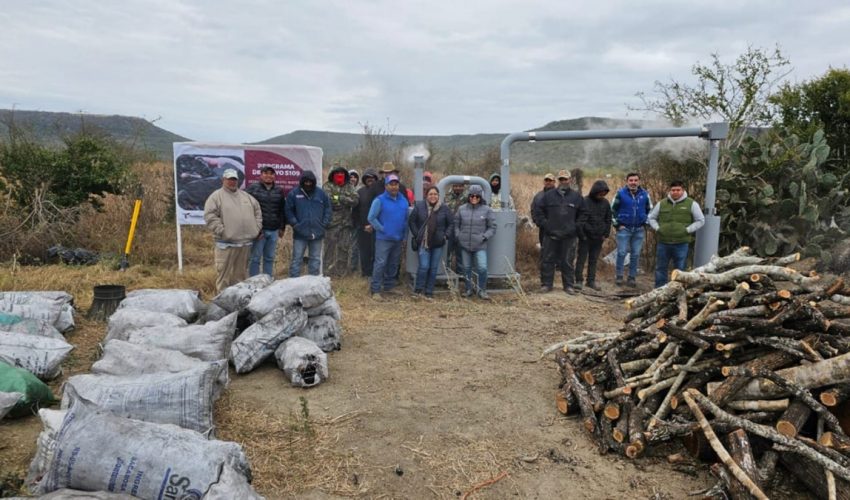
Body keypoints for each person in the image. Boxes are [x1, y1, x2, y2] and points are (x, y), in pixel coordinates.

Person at [203, 168, 262, 293]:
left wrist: (256, 229)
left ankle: (238, 303)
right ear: (223, 180)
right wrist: (222, 231)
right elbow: (210, 216)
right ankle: (221, 304)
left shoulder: (247, 197)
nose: (232, 182)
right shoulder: (216, 196)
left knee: (240, 278)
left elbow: (257, 212)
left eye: (234, 179)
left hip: (245, 244)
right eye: (229, 179)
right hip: (225, 244)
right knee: (223, 277)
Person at [532, 169, 585, 295]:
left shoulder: (577, 197)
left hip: (569, 236)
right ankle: (546, 285)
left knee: (567, 261)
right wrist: (546, 225)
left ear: (570, 180)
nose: (563, 181)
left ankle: (568, 286)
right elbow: (538, 211)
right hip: (551, 234)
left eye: (565, 179)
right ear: (558, 180)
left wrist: (575, 227)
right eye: (561, 179)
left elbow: (583, 214)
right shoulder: (548, 196)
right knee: (547, 260)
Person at [648, 180, 706, 288]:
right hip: (663, 243)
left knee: (680, 269)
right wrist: (657, 228)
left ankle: (677, 290)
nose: (675, 192)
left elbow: (701, 220)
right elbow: (651, 218)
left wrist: (687, 230)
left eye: (678, 190)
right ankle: (659, 290)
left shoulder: (691, 204)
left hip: (681, 243)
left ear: (683, 190)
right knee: (661, 268)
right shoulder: (662, 203)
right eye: (673, 190)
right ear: (670, 191)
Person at [368, 174, 409, 299]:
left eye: (396, 184)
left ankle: (389, 287)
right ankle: (375, 290)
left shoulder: (403, 200)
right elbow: (371, 218)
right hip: (383, 239)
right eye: (391, 184)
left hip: (398, 239)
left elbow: (406, 220)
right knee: (380, 263)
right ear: (386, 186)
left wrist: (405, 237)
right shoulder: (379, 200)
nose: (394, 187)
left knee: (393, 264)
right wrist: (382, 229)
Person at [409, 186, 452, 299]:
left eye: (435, 194)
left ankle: (429, 291)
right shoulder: (419, 206)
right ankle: (418, 290)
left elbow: (451, 224)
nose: (433, 196)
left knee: (433, 268)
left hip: (438, 243)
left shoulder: (444, 208)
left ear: (438, 196)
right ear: (426, 196)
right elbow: (412, 221)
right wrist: (417, 234)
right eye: (430, 194)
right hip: (423, 242)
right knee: (424, 266)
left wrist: (445, 236)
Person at [285, 171, 331, 277]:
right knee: (297, 259)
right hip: (300, 233)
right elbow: (288, 210)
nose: (308, 184)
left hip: (317, 232)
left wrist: (323, 224)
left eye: (310, 182)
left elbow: (328, 209)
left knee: (315, 259)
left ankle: (313, 284)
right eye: (306, 181)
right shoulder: (294, 193)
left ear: (314, 182)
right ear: (302, 182)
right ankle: (293, 283)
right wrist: (295, 224)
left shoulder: (321, 193)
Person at [611, 172, 652, 287]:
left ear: (639, 181)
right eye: (631, 180)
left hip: (639, 229)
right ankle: (619, 276)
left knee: (636, 254)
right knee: (622, 252)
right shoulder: (620, 194)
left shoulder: (645, 194)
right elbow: (612, 210)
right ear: (627, 181)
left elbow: (650, 210)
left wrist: (646, 223)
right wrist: (617, 225)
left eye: (635, 180)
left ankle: (632, 277)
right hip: (624, 228)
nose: (633, 183)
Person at [455, 185, 496, 300]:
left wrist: (484, 237)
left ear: (480, 197)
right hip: (464, 245)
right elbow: (456, 224)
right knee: (466, 268)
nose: (474, 198)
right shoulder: (461, 209)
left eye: (477, 196)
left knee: (482, 268)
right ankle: (468, 289)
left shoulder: (487, 210)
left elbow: (492, 227)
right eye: (472, 195)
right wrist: (458, 236)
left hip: (480, 245)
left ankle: (482, 290)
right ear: (468, 196)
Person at [245, 166, 286, 277]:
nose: (269, 176)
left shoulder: (279, 190)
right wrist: (255, 229)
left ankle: (267, 281)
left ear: (274, 176)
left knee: (269, 258)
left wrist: (282, 227)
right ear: (261, 175)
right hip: (259, 231)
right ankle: (253, 281)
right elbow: (246, 209)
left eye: (271, 174)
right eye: (266, 173)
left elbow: (282, 210)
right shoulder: (252, 189)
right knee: (255, 258)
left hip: (273, 230)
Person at [575, 180, 611, 290]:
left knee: (593, 260)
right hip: (585, 237)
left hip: (599, 238)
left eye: (604, 193)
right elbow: (580, 221)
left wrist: (606, 234)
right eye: (600, 192)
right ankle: (578, 281)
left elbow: (608, 219)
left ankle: (590, 281)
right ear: (595, 191)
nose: (602, 195)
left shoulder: (606, 203)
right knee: (581, 259)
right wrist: (583, 235)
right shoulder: (585, 201)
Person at [323, 165, 358, 276]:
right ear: (332, 175)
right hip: (332, 224)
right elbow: (328, 199)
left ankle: (340, 273)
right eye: (337, 173)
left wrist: (340, 198)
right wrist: (343, 200)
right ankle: (327, 273)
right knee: (329, 249)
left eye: (342, 173)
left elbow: (355, 200)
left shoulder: (349, 186)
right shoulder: (327, 186)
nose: (339, 175)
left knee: (344, 249)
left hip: (346, 224)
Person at [353, 169, 378, 277]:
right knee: (364, 252)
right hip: (363, 228)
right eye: (368, 178)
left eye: (372, 178)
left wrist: (375, 225)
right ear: (364, 179)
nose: (370, 180)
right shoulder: (359, 193)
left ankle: (376, 273)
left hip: (378, 228)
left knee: (376, 252)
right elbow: (355, 212)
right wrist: (361, 226)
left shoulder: (381, 192)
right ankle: (366, 273)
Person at [444, 182, 468, 273]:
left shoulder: (467, 197)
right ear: (452, 186)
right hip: (448, 228)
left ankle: (461, 273)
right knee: (447, 251)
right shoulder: (446, 196)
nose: (458, 188)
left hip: (462, 228)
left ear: (463, 187)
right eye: (456, 186)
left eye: (460, 186)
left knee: (461, 252)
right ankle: (447, 273)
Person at [531, 173, 556, 248]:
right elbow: (533, 209)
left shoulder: (559, 194)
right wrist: (537, 221)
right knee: (544, 248)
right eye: (546, 180)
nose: (548, 182)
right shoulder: (538, 195)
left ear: (554, 182)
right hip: (543, 228)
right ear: (544, 182)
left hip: (556, 228)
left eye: (550, 180)